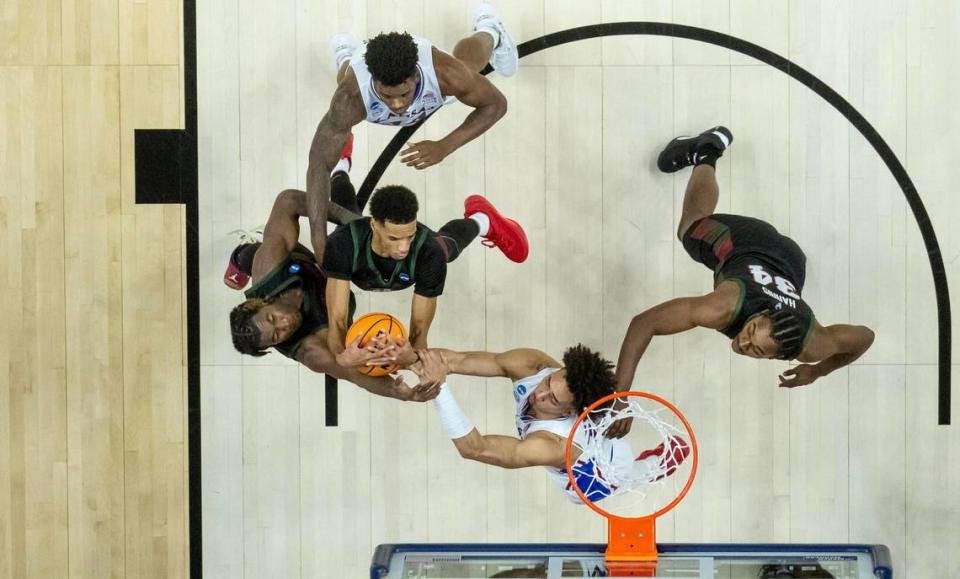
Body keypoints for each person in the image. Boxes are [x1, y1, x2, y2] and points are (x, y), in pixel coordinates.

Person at [614, 126, 875, 395]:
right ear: (761, 314)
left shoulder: (813, 345)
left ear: (777, 356)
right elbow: (643, 324)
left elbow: (866, 337)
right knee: (690, 228)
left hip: (791, 261)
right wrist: (618, 397)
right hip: (745, 240)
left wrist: (818, 370)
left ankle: (706, 152)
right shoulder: (722, 308)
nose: (743, 342)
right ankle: (706, 150)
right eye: (751, 331)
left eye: (756, 350)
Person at [304, 2, 519, 259]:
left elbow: (496, 104)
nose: (397, 105)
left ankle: (490, 29)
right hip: (363, 97)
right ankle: (348, 57)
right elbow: (318, 165)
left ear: (416, 77)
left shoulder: (443, 74)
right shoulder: (351, 97)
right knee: (345, 83)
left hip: (433, 88)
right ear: (373, 81)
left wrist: (444, 146)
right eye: (387, 95)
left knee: (467, 66)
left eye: (403, 94)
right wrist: (319, 243)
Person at [227, 184, 440, 403]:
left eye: (272, 318)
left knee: (254, 254)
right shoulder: (311, 350)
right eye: (276, 336)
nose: (284, 324)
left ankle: (237, 257)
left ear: (260, 303)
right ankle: (341, 171)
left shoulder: (267, 271)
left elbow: (288, 200)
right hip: (336, 295)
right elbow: (352, 374)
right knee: (344, 249)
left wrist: (352, 220)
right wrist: (402, 393)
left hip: (306, 265)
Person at [410, 346, 689, 502]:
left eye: (552, 400)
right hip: (592, 441)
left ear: (571, 411)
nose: (538, 393)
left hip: (598, 476)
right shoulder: (535, 366)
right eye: (547, 383)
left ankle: (657, 464)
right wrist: (399, 356)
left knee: (631, 473)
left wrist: (439, 388)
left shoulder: (553, 445)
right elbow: (452, 359)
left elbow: (475, 449)